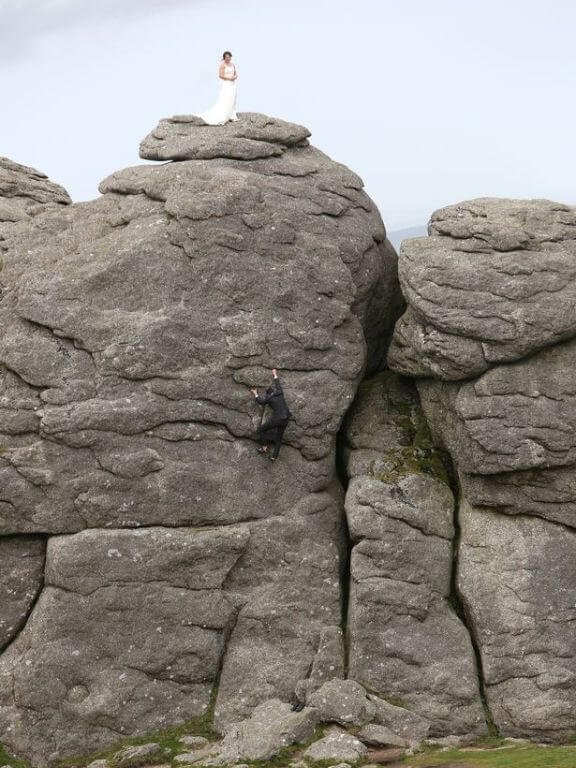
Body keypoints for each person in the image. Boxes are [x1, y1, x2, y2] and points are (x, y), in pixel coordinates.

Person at [251, 369, 291, 462]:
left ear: (268, 394)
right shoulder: (280, 392)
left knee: (261, 429)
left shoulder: (269, 398)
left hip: (277, 419)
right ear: (274, 391)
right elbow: (277, 383)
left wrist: (255, 393)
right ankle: (274, 457)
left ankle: (264, 446)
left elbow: (261, 402)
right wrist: (274, 374)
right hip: (286, 419)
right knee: (279, 439)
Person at [198, 51, 239, 125]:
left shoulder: (232, 64)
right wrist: (230, 78)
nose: (228, 58)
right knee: (226, 99)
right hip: (226, 84)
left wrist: (235, 77)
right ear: (224, 58)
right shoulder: (222, 65)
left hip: (233, 84)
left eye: (229, 57)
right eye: (226, 57)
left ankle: (232, 115)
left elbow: (236, 73)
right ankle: (224, 115)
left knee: (233, 99)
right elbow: (220, 75)